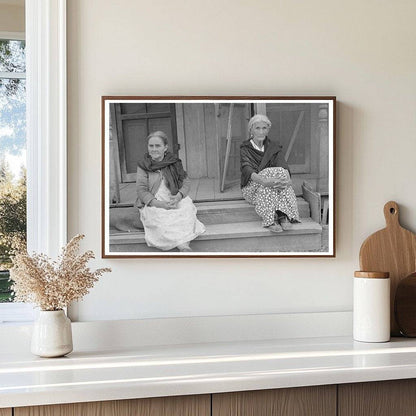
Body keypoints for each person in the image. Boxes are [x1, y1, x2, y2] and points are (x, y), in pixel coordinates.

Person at [135, 131, 205, 251]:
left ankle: (184, 247)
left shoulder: (174, 162)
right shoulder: (143, 166)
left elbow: (186, 182)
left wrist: (178, 196)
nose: (154, 149)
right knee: (160, 218)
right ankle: (183, 246)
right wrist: (159, 204)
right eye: (151, 146)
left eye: (158, 146)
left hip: (173, 197)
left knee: (186, 210)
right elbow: (141, 190)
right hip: (154, 202)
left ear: (165, 147)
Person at [240, 114, 300, 233]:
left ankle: (282, 214)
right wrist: (265, 181)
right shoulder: (245, 148)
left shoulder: (274, 146)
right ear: (251, 130)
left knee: (280, 172)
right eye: (257, 128)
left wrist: (287, 181)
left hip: (275, 185)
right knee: (269, 172)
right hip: (254, 188)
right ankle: (270, 219)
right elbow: (247, 169)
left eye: (264, 128)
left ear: (268, 130)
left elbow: (284, 166)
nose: (261, 132)